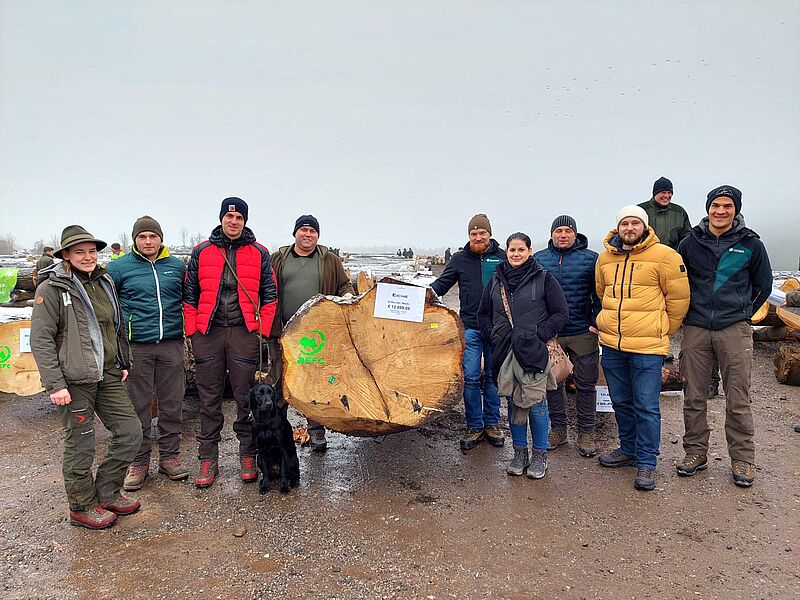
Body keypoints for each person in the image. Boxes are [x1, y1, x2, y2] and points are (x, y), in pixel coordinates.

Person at [30, 225, 142, 529]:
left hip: (107, 371)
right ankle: (81, 506)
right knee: (81, 444)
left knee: (131, 432)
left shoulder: (103, 281)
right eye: (79, 252)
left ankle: (106, 492)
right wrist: (55, 384)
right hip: (73, 379)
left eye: (92, 251)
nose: (88, 256)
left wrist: (123, 361)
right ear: (65, 255)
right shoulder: (52, 289)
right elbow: (41, 339)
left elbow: (115, 325)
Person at [676, 186, 772, 487]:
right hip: (696, 326)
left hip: (734, 328)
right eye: (715, 205)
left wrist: (743, 313)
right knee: (693, 395)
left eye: (727, 206)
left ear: (736, 209)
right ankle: (695, 453)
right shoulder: (690, 243)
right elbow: (679, 283)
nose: (720, 211)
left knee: (738, 396)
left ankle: (743, 459)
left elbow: (764, 286)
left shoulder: (751, 245)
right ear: (708, 208)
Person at [183, 197, 278, 488]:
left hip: (242, 332)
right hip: (208, 333)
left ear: (245, 221)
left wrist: (260, 328)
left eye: (238, 218)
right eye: (229, 217)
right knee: (209, 398)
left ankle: (248, 453)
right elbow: (189, 293)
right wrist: (193, 330)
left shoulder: (260, 253)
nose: (233, 222)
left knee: (244, 397)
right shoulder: (201, 251)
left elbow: (270, 293)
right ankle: (207, 457)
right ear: (221, 218)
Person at [595, 206, 689, 491]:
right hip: (612, 344)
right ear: (618, 227)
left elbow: (679, 300)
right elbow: (602, 293)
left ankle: (647, 462)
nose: (630, 228)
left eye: (635, 222)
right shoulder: (605, 258)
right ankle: (628, 449)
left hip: (648, 347)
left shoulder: (665, 256)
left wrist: (662, 330)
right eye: (625, 223)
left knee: (647, 406)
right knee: (621, 400)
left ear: (644, 226)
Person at [106, 216, 189, 491]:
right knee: (138, 405)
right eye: (142, 237)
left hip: (171, 343)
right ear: (135, 240)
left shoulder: (176, 267)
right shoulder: (119, 267)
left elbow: (188, 299)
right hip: (137, 345)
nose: (148, 242)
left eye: (152, 236)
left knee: (172, 402)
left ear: (161, 238)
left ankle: (169, 456)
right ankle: (139, 461)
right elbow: (108, 304)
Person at [478, 233, 568, 478]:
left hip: (534, 352)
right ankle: (519, 453)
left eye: (521, 250)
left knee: (536, 402)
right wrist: (494, 335)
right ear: (506, 252)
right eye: (511, 250)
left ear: (529, 251)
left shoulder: (543, 278)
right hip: (504, 352)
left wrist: (539, 336)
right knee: (512, 401)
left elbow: (560, 313)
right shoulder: (497, 279)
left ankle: (540, 455)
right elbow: (482, 313)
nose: (516, 254)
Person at [268, 215, 354, 452]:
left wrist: (347, 295)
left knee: (315, 382)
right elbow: (265, 287)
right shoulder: (278, 258)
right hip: (282, 332)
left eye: (312, 231)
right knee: (279, 381)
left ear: (318, 235)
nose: (308, 234)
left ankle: (316, 431)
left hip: (317, 335)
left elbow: (344, 285)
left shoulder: (329, 260)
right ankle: (277, 430)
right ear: (295, 233)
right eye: (303, 230)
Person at [431, 214, 505, 451]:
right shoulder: (460, 259)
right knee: (471, 378)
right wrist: (413, 297)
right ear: (468, 236)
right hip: (471, 328)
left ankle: (492, 423)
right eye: (473, 234)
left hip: (497, 329)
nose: (478, 237)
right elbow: (441, 286)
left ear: (490, 234)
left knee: (492, 376)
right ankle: (475, 425)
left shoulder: (502, 258)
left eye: (482, 233)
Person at [534, 215, 602, 457]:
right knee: (553, 384)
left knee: (586, 384)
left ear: (575, 234)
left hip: (582, 331)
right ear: (552, 234)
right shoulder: (539, 260)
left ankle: (586, 432)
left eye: (568, 231)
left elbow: (600, 294)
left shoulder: (591, 259)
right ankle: (559, 429)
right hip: (551, 334)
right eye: (558, 230)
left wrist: (595, 320)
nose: (563, 235)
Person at [638, 176, 692, 250]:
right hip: (646, 256)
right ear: (655, 193)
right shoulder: (640, 210)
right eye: (663, 192)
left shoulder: (679, 212)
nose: (666, 196)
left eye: (669, 193)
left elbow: (687, 237)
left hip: (672, 256)